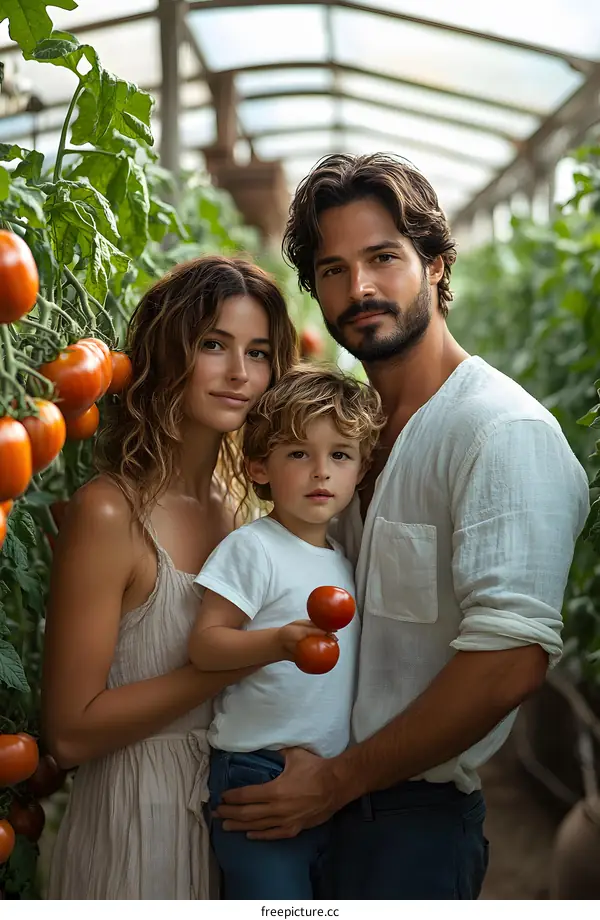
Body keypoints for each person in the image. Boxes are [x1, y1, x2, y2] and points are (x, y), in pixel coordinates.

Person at [213, 154, 591, 899]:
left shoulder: (498, 430)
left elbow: (508, 663)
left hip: (407, 824)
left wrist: (336, 782)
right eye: (332, 269)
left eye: (384, 257)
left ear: (437, 265)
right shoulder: (347, 433)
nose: (359, 289)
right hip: (308, 801)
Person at [42, 255, 298, 899]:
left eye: (259, 352)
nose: (241, 373)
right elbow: (70, 731)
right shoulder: (111, 510)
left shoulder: (247, 511)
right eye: (214, 344)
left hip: (231, 822)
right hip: (135, 827)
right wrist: (240, 658)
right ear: (167, 353)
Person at [187, 365, 383, 899]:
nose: (321, 471)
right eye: (299, 454)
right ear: (258, 468)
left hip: (323, 781)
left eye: (339, 455)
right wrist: (280, 642)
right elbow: (206, 644)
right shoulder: (253, 547)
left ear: (361, 470)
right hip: (257, 772)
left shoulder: (343, 560)